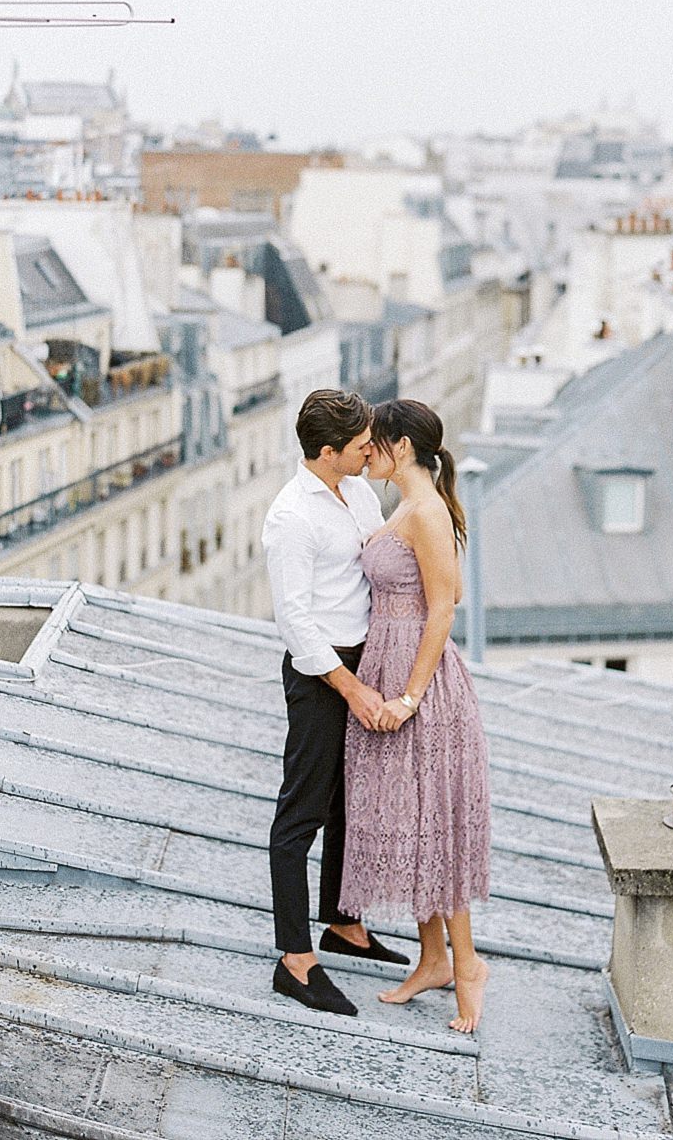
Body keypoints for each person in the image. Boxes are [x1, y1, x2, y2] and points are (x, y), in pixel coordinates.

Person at [340, 398, 491, 1034]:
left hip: (418, 683)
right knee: (410, 820)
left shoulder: (425, 510)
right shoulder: (406, 505)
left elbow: (445, 608)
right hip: (389, 665)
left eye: (374, 442)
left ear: (401, 446)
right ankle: (432, 959)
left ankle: (468, 964)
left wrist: (408, 696)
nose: (366, 452)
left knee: (434, 824)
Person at [263, 389, 409, 1017]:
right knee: (302, 814)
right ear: (327, 452)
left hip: (364, 662)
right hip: (322, 674)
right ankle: (294, 960)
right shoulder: (291, 516)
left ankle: (344, 923)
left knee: (353, 801)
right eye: (359, 446)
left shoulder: (358, 491)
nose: (369, 451)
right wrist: (350, 688)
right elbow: (295, 622)